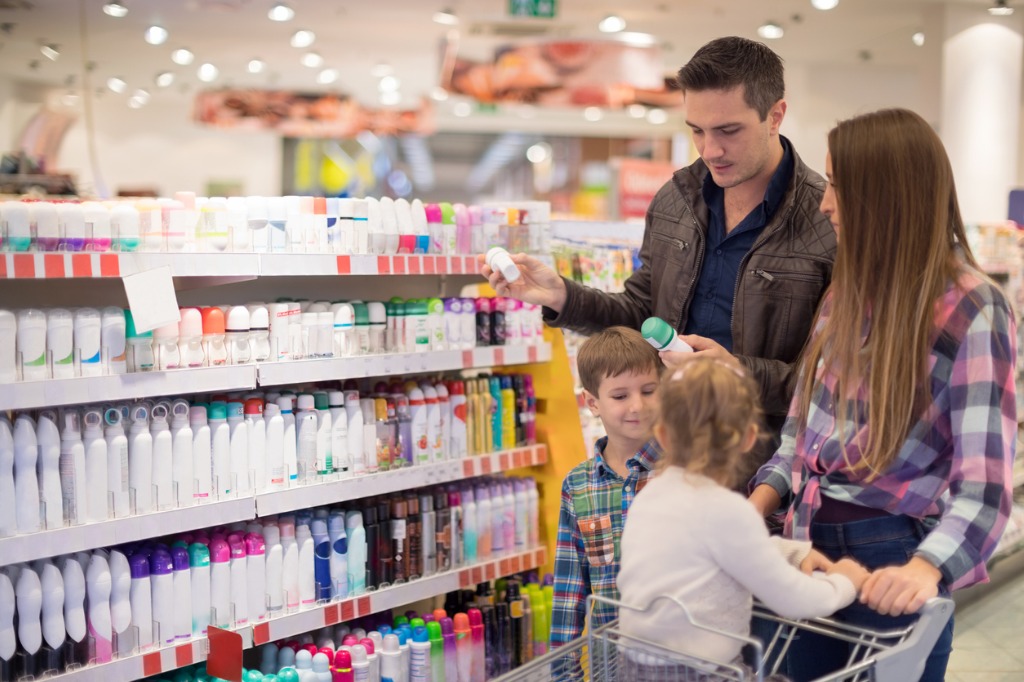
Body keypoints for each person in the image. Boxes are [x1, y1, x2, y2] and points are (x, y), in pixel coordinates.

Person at [748, 108, 1018, 682]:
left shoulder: (972, 307)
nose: (826, 204)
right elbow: (798, 435)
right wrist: (754, 509)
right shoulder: (845, 292)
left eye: (840, 187)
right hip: (806, 548)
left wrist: (925, 569)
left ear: (884, 195)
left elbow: (984, 486)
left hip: (889, 555)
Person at [482, 36, 836, 466]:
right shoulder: (676, 199)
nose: (710, 150)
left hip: (771, 464)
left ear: (775, 115)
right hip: (666, 451)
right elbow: (641, 314)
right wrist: (560, 296)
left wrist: (738, 373)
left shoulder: (829, 219)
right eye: (697, 131)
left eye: (728, 131)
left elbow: (838, 381)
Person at [616, 357, 867, 679]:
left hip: (634, 666)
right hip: (700, 671)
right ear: (749, 437)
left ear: (662, 435)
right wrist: (844, 582)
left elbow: (707, 549)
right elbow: (792, 599)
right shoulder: (727, 511)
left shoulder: (650, 496)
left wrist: (793, 552)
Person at [549, 326, 663, 673]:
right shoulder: (578, 486)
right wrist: (565, 672)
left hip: (682, 660)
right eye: (620, 396)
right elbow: (569, 589)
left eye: (648, 390)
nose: (637, 406)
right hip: (610, 666)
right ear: (592, 403)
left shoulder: (681, 470)